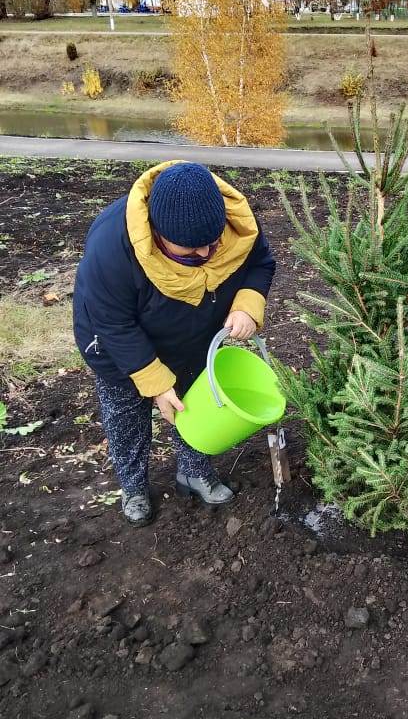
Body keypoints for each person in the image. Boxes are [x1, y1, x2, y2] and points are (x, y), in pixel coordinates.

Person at [73, 161, 275, 527]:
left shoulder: (236, 224)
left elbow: (261, 263)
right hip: (116, 346)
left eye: (212, 246)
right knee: (126, 415)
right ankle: (133, 487)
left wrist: (247, 303)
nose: (204, 256)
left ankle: (193, 472)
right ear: (156, 231)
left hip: (192, 337)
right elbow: (113, 323)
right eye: (189, 251)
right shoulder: (112, 245)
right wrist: (155, 383)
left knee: (195, 405)